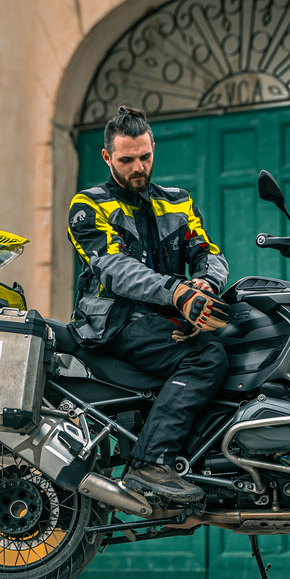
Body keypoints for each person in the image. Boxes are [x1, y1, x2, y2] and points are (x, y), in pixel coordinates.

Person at [67, 105, 230, 503]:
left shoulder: (178, 201)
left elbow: (207, 250)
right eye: (127, 160)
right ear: (107, 157)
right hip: (115, 322)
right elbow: (114, 268)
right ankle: (152, 462)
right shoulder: (89, 206)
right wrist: (176, 292)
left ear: (153, 148)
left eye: (145, 157)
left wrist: (207, 282)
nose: (138, 167)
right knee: (206, 358)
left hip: (165, 318)